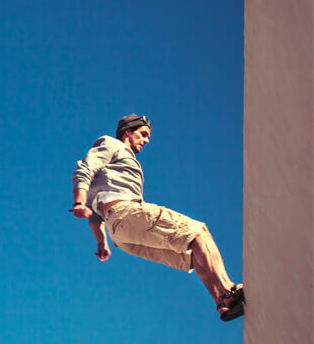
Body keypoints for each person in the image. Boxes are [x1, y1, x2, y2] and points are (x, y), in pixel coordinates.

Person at [70, 114, 244, 321]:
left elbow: (94, 217)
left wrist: (101, 242)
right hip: (126, 213)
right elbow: (84, 168)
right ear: (127, 132)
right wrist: (78, 202)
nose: (146, 141)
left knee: (191, 253)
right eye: (143, 135)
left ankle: (223, 304)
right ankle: (228, 290)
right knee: (198, 232)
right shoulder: (111, 144)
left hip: (121, 235)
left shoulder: (108, 175)